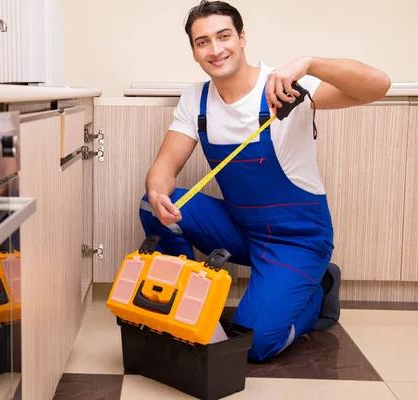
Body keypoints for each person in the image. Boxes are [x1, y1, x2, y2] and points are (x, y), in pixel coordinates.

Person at [139, 0, 390, 362]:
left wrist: (308, 63)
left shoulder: (285, 87)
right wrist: (158, 190)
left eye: (223, 36)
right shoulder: (196, 98)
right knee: (153, 204)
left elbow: (378, 86)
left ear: (242, 38)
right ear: (194, 51)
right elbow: (164, 165)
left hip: (296, 240)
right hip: (241, 229)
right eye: (202, 41)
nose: (215, 49)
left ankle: (319, 291)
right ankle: (181, 302)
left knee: (253, 345)